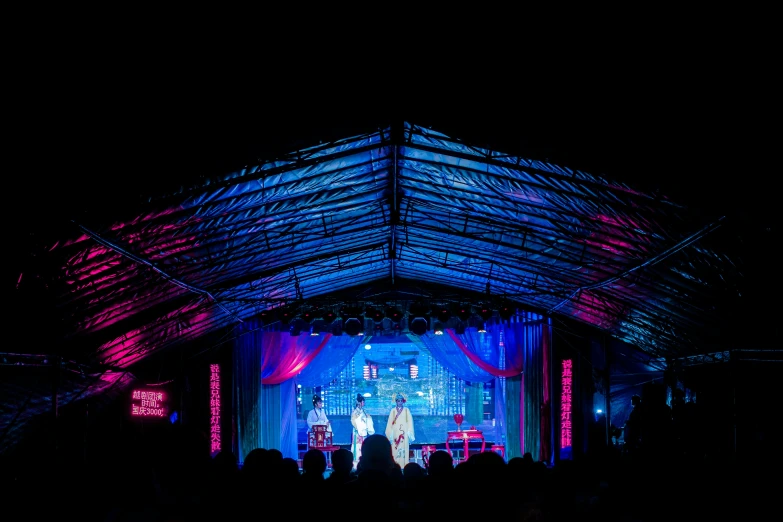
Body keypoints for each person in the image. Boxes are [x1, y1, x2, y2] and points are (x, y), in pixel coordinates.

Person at [385, 392, 415, 469]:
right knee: (395, 449)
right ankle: (395, 466)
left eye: (401, 401)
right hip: (395, 433)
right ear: (396, 401)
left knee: (403, 450)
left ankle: (404, 466)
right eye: (398, 401)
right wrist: (390, 433)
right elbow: (389, 423)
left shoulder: (406, 410)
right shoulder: (393, 411)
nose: (400, 402)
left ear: (403, 401)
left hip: (404, 434)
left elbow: (410, 422)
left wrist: (409, 432)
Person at [350, 393, 374, 468]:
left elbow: (367, 419)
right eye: (363, 402)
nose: (364, 403)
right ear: (359, 403)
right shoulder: (355, 412)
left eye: (364, 402)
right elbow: (353, 421)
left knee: (363, 446)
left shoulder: (364, 411)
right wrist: (359, 427)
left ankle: (363, 462)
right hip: (357, 432)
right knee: (357, 447)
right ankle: (356, 464)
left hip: (363, 431)